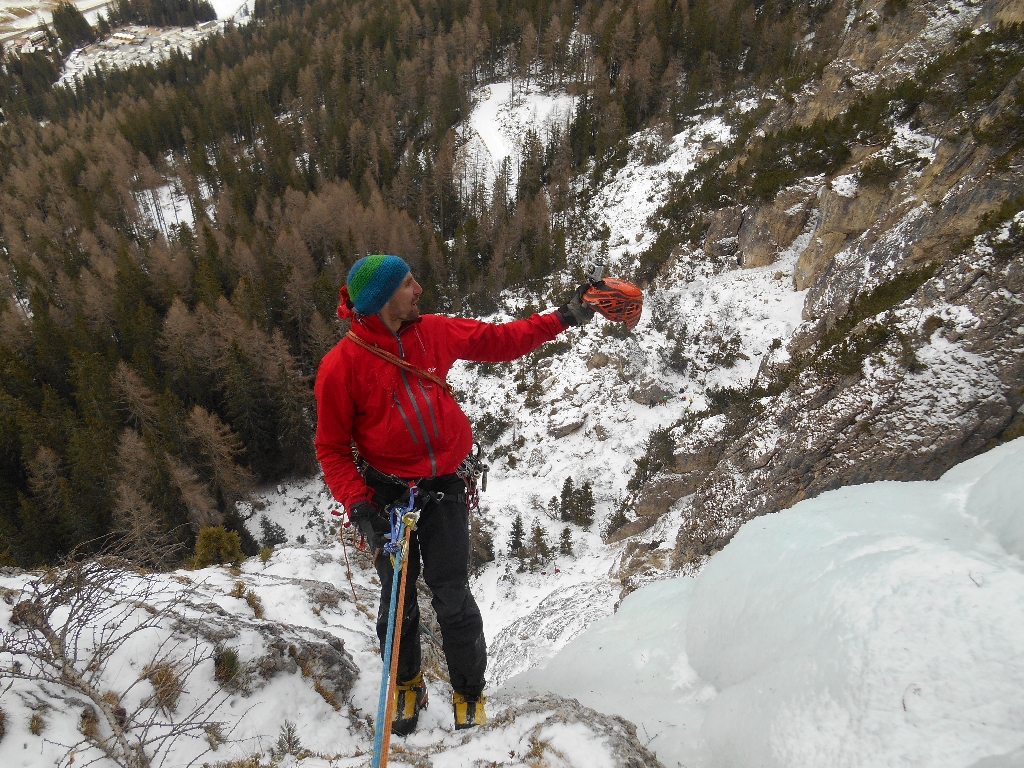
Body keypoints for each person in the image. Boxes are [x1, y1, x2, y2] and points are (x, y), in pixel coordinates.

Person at [314, 254, 593, 736]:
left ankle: (468, 692)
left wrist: (564, 317)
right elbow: (332, 447)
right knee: (397, 598)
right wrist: (359, 505)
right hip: (387, 495)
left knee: (453, 597)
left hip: (443, 487)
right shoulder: (342, 367)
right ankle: (407, 683)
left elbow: (500, 341)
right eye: (407, 284)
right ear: (381, 301)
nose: (418, 289)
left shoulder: (432, 332)